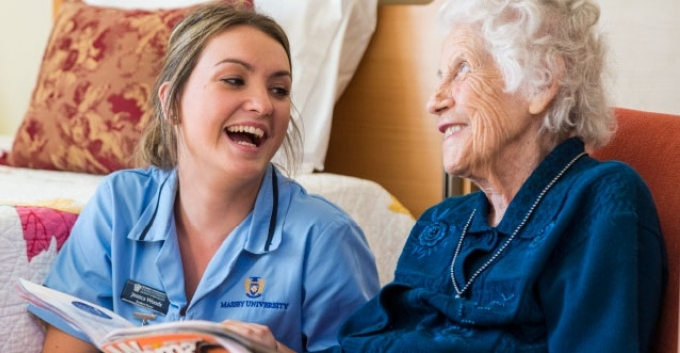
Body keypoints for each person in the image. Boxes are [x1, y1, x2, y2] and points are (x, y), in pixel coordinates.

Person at [224, 0, 667, 351]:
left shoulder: (600, 199)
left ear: (542, 82)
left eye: (461, 70)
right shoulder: (441, 224)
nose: (434, 101)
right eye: (439, 76)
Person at [29, 3, 380, 353]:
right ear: (171, 103)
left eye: (279, 90)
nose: (263, 104)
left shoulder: (325, 237)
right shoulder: (118, 204)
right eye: (233, 80)